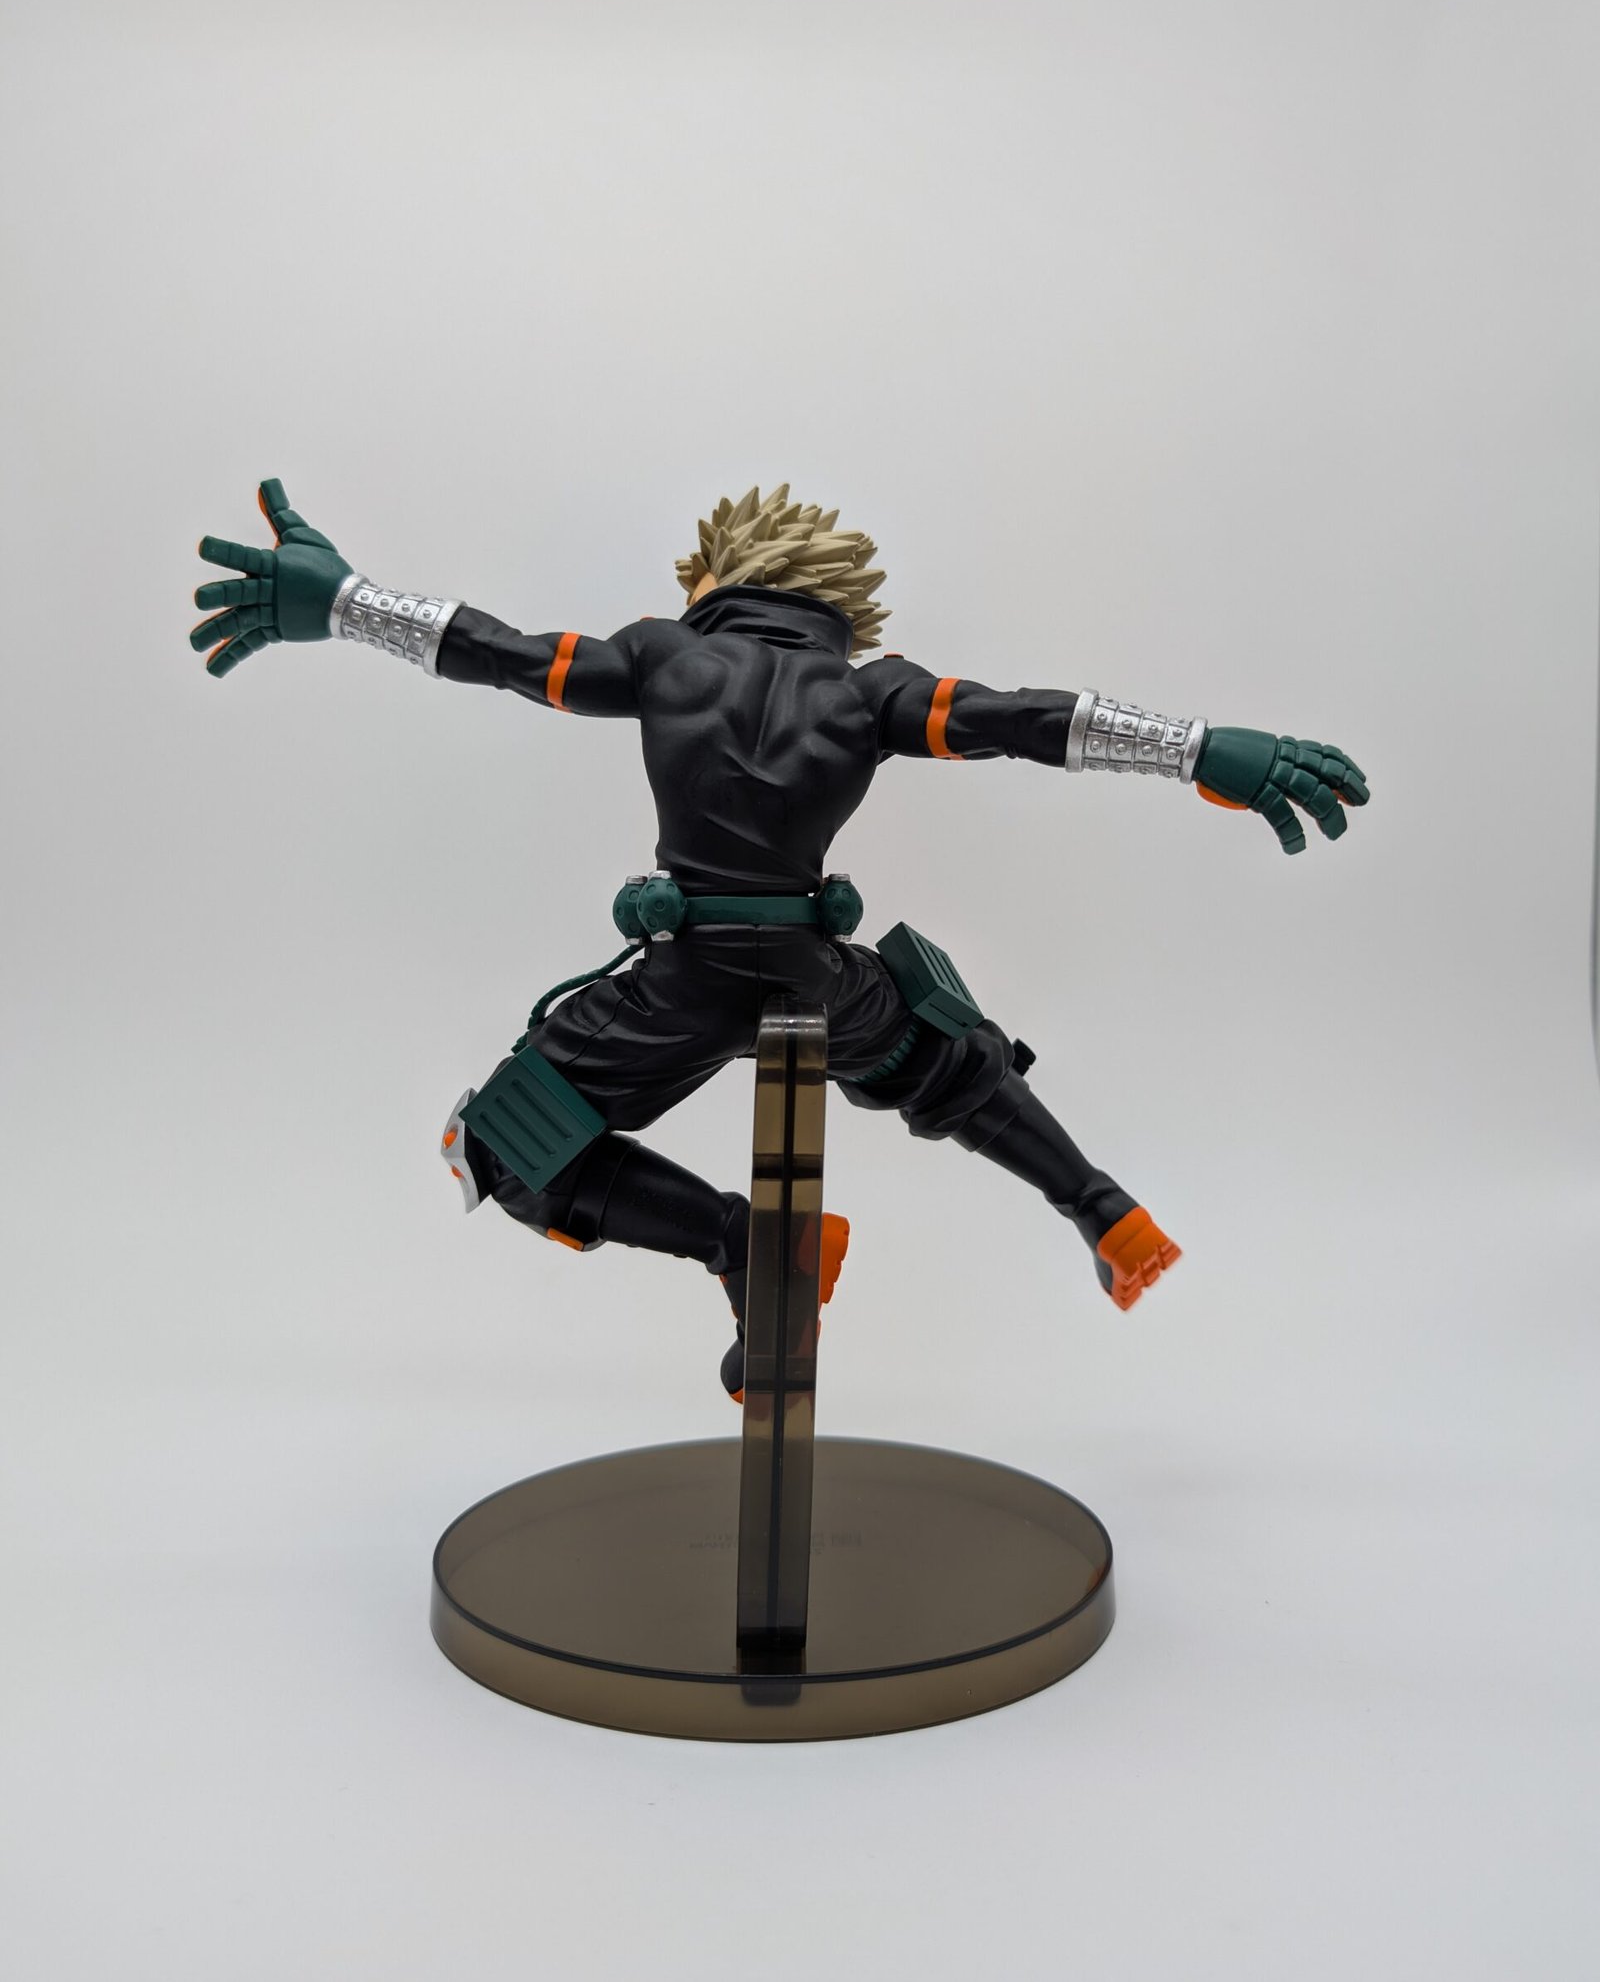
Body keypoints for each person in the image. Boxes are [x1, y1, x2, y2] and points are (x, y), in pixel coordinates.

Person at [191, 478, 1370, 1396]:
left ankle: (744, 1246)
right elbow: (1024, 721)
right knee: (948, 1064)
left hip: (685, 975)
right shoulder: (871, 691)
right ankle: (1102, 1209)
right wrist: (1197, 749)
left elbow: (499, 655)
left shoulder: (662, 657)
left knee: (500, 1147)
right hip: (815, 975)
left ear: (715, 576)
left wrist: (345, 604)